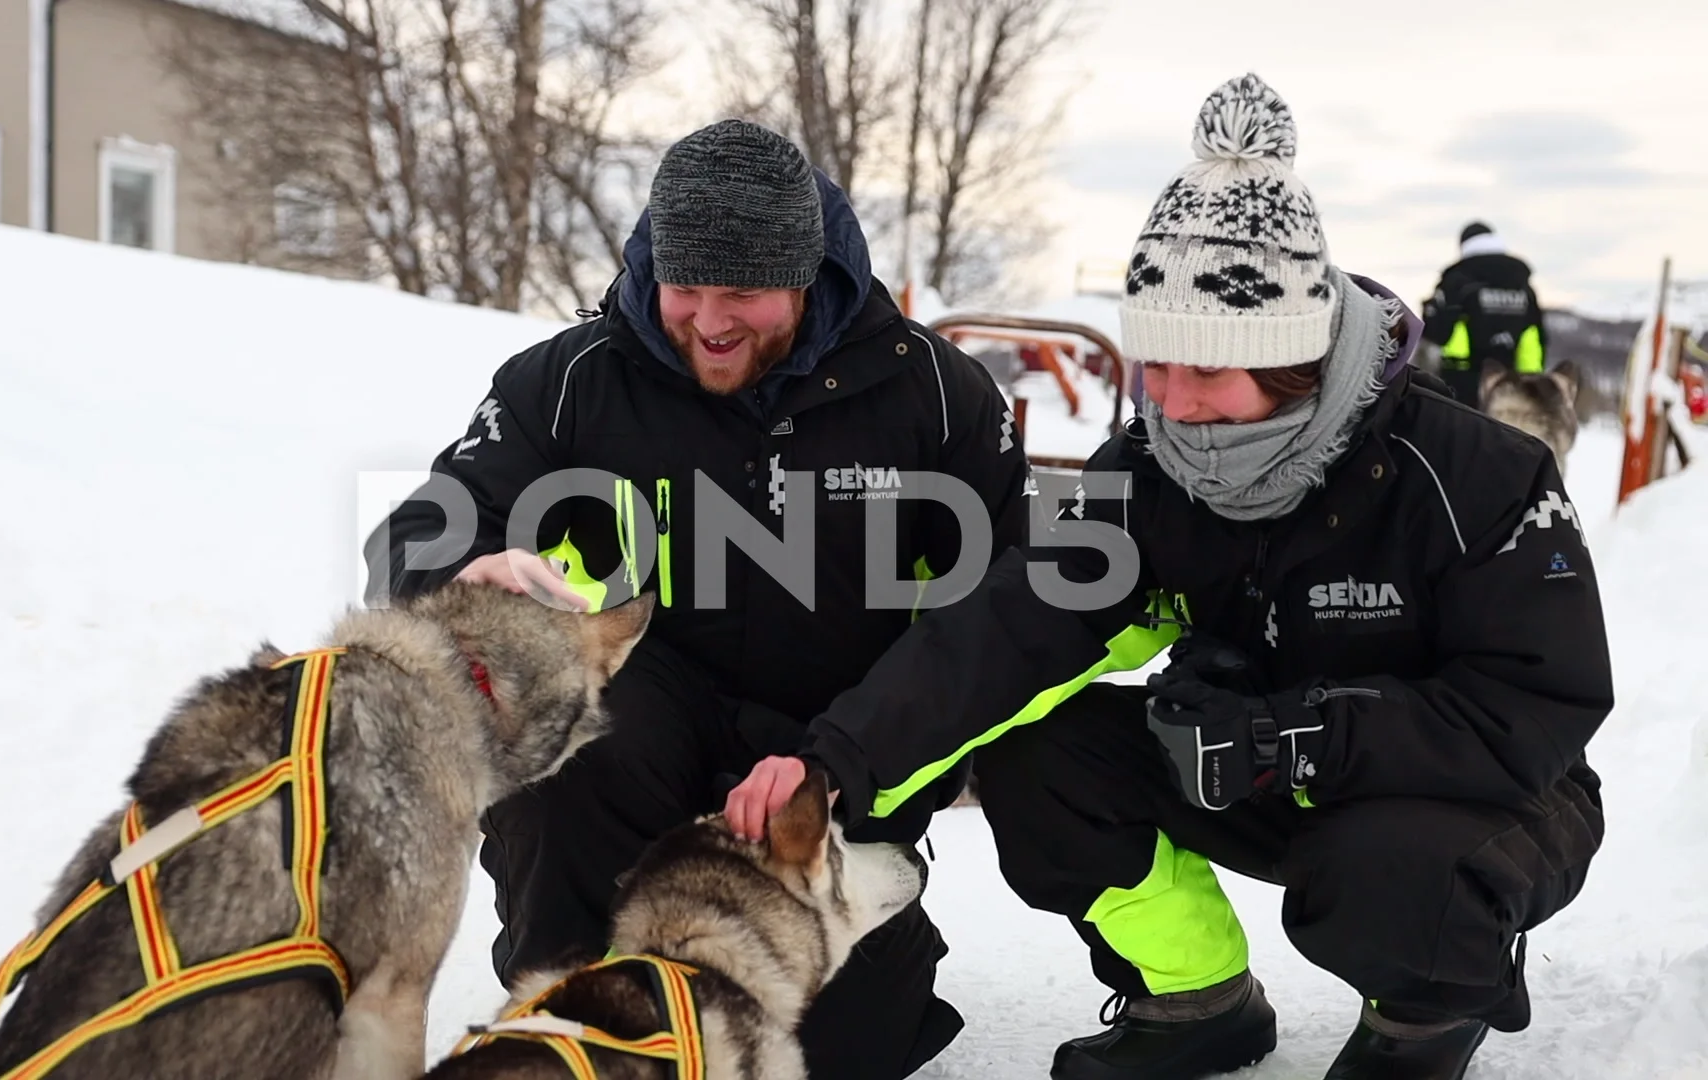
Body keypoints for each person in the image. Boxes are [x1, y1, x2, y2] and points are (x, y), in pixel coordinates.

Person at [726, 74, 1610, 1080]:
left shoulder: (1476, 474)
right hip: (1252, 767)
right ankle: (1198, 1000)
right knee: (1036, 752)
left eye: (1205, 371)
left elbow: (1535, 709)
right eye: (1157, 364)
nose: (1170, 401)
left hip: (1485, 796)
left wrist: (1304, 733)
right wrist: (837, 760)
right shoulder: (1152, 476)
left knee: (1387, 873)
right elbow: (1010, 630)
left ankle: (1424, 1012)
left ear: (1290, 359)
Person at [366, 118, 1032, 1078]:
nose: (711, 322)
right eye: (688, 288)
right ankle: (563, 1009)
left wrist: (851, 752)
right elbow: (426, 521)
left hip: (836, 749)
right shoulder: (570, 382)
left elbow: (1008, 612)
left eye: (746, 294)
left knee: (836, 1053)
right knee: (567, 738)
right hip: (641, 730)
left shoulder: (935, 395)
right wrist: (464, 569)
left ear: (805, 277)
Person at [1421, 221, 1550, 409]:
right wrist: (1531, 379)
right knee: (1509, 435)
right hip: (1515, 386)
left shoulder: (1457, 280)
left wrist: (1429, 312)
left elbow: (1438, 331)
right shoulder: (1523, 285)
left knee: (1461, 436)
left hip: (1462, 383)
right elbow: (1535, 335)